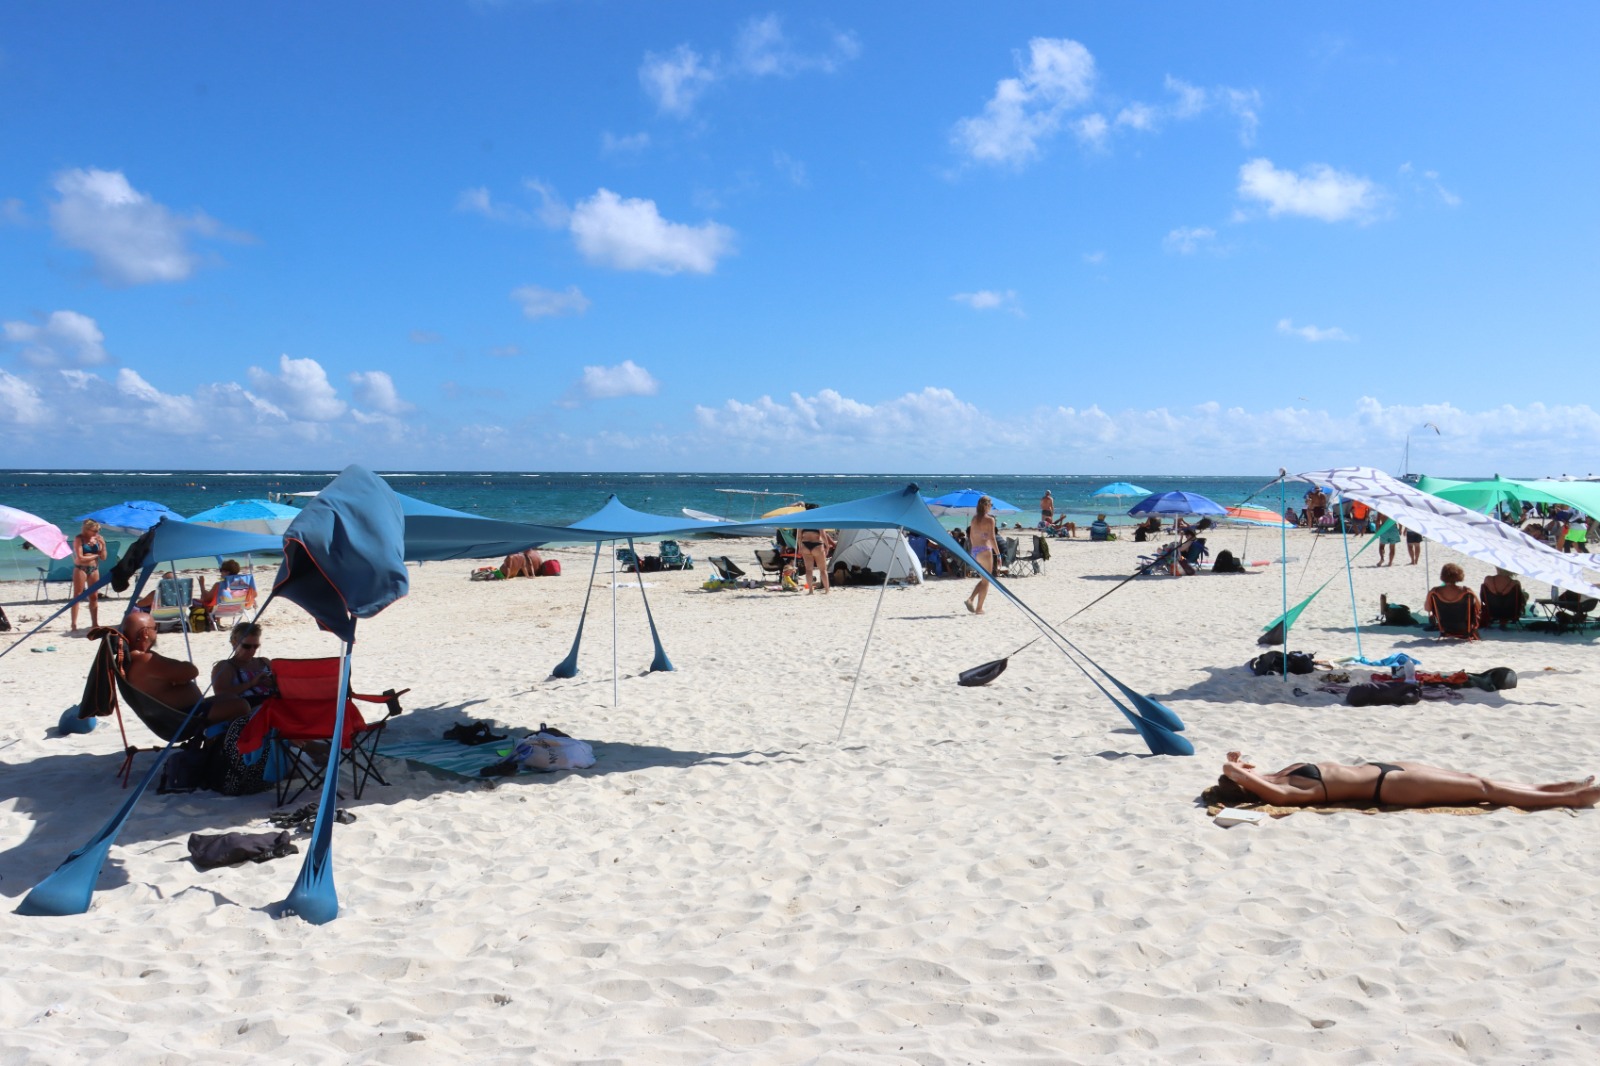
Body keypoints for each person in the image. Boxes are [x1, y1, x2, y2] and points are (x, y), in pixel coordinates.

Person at [1217, 751, 1599, 809]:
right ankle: (1571, 799)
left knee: (1476, 778)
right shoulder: (1285, 791)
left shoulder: (1276, 773)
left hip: (1387, 767)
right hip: (1389, 787)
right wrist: (1234, 772)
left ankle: (1555, 787)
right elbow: (1271, 794)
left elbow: (1239, 769)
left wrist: (1237, 765)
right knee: (1484, 791)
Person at [121, 612, 252, 724]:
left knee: (229, 697)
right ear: (145, 633)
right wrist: (179, 677)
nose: (157, 632)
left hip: (179, 713)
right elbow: (191, 671)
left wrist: (175, 678)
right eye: (155, 628)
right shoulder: (145, 660)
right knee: (242, 706)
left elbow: (174, 675)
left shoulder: (135, 659)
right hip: (182, 717)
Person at [210, 622, 275, 710]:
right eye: (246, 646)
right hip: (248, 708)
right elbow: (220, 694)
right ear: (234, 643)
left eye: (256, 646)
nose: (252, 650)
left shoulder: (264, 662)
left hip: (273, 703)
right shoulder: (225, 667)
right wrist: (251, 683)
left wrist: (273, 683)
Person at [1425, 562, 1481, 639]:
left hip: (1444, 627)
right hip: (1464, 627)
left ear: (1443, 575)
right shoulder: (1467, 591)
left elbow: (1427, 609)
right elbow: (1479, 607)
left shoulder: (1434, 592)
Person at [70, 518, 107, 632]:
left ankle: (95, 623)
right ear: (87, 529)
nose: (96, 533)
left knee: (94, 597)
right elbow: (81, 558)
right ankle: (73, 624)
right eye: (94, 531)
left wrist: (103, 544)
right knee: (77, 596)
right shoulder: (79, 539)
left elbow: (104, 557)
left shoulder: (98, 539)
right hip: (80, 568)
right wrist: (96, 555)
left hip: (94, 569)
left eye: (98, 530)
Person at [964, 495, 998, 615]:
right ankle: (978, 607)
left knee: (984, 580)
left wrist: (975, 549)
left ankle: (971, 599)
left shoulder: (974, 519)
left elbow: (971, 537)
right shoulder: (990, 519)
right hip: (985, 550)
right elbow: (992, 538)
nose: (991, 507)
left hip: (975, 551)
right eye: (991, 505)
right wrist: (998, 554)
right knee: (986, 581)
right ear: (986, 505)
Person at [797, 504, 833, 594]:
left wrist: (799, 547)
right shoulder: (818, 521)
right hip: (817, 545)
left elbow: (799, 537)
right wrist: (827, 546)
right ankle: (827, 590)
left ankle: (810, 590)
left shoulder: (802, 522)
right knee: (823, 570)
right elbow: (823, 536)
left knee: (808, 570)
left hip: (805, 545)